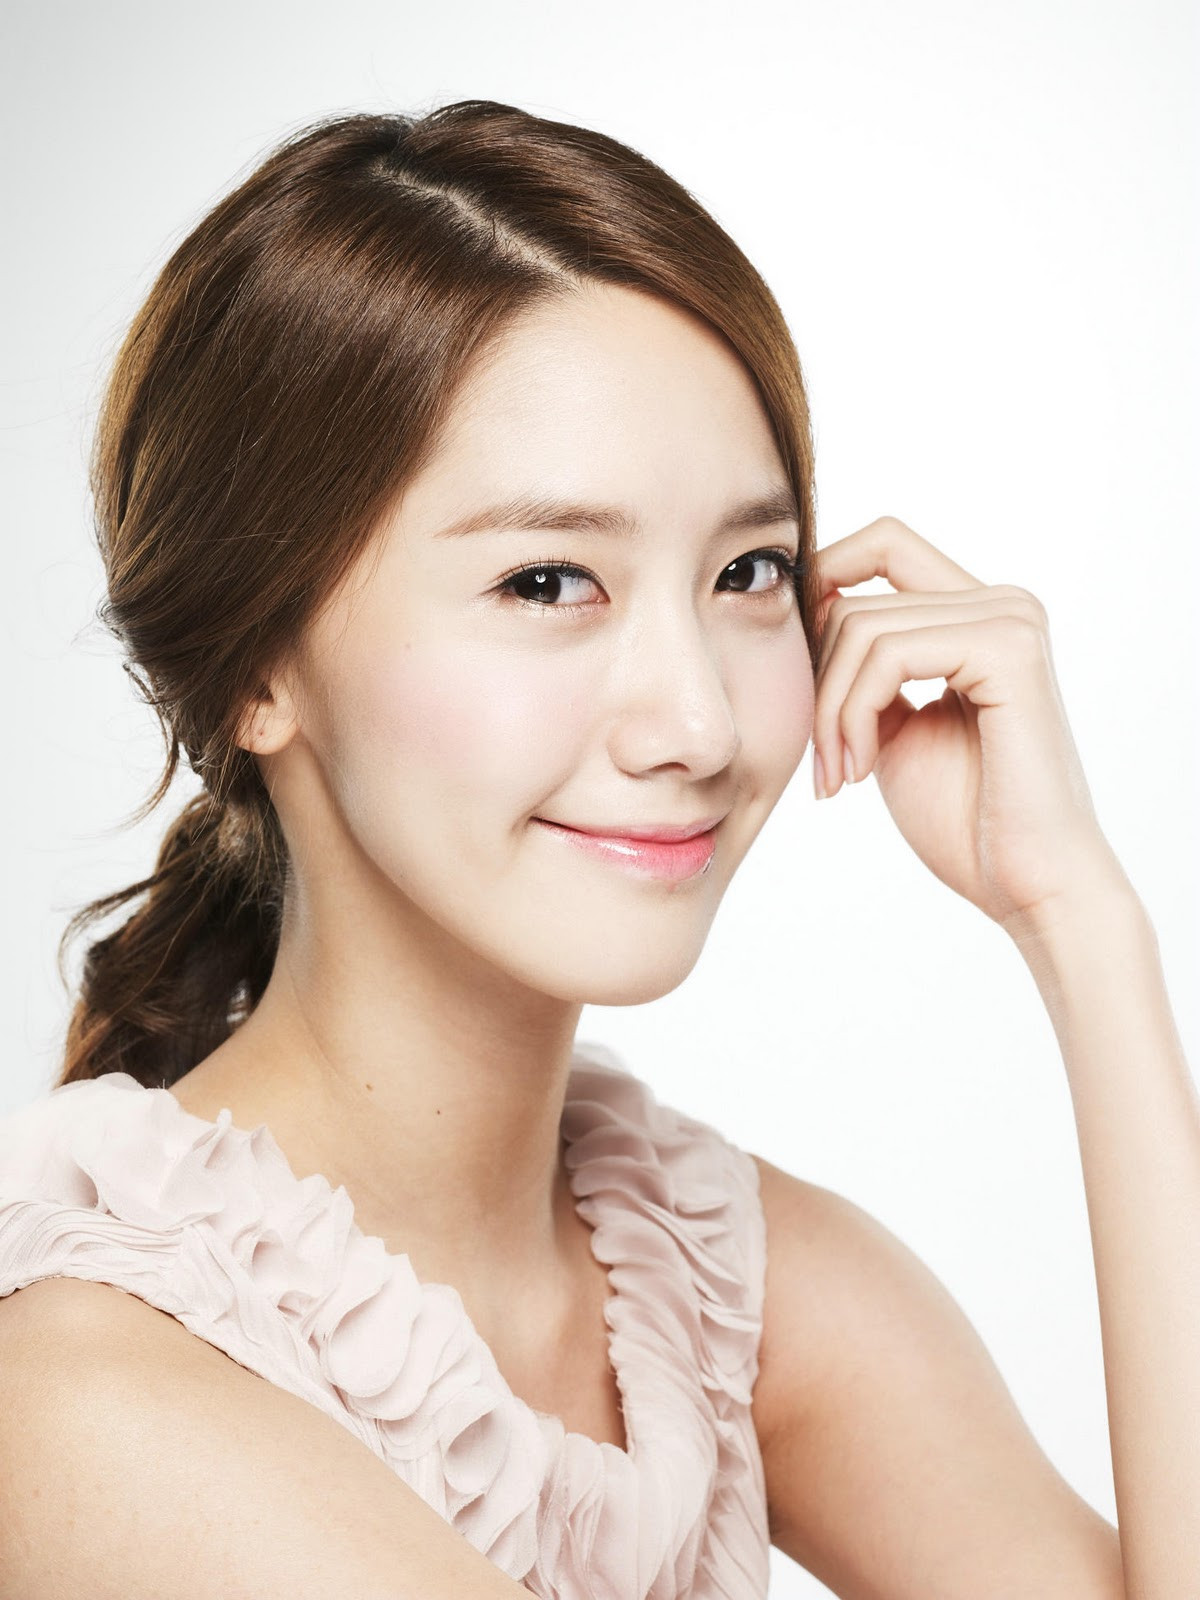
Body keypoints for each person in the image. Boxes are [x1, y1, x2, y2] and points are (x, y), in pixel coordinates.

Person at [0, 100, 1192, 1599]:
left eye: (747, 571)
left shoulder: (713, 1289)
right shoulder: (91, 1398)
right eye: (548, 581)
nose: (697, 720)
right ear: (258, 667)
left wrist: (1080, 917)